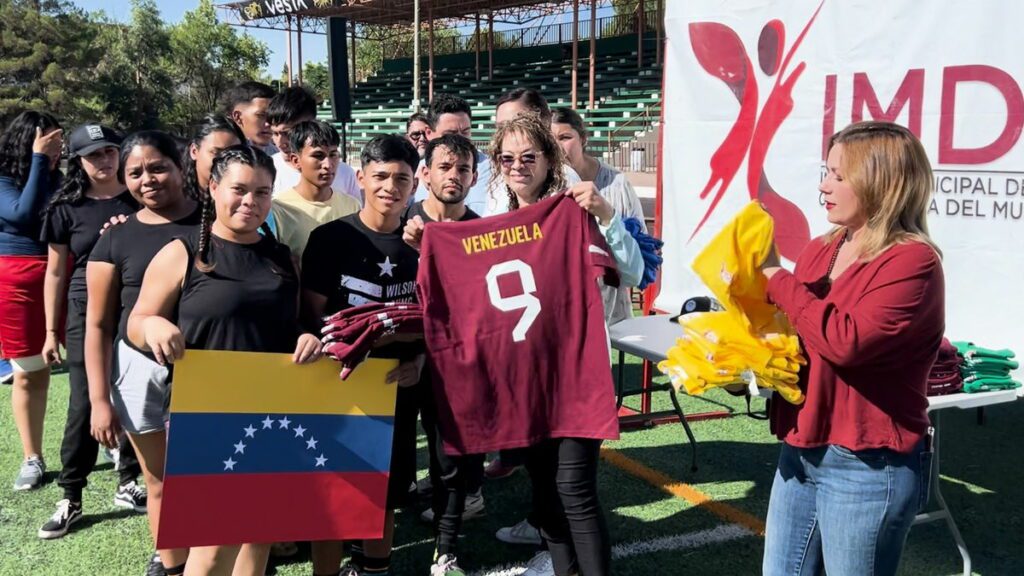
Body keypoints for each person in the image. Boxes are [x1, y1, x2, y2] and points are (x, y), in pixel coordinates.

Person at [127, 144, 322, 576]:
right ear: (213, 187)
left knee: (259, 537)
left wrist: (309, 337)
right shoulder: (181, 253)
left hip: (274, 411)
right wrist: (154, 328)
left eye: (262, 192)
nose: (250, 202)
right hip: (205, 414)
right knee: (214, 547)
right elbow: (136, 321)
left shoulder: (282, 259)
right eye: (239, 189)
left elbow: (301, 325)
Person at [760, 121, 944, 576]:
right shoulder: (822, 248)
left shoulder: (913, 261)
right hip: (801, 448)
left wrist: (774, 278)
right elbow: (798, 335)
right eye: (826, 171)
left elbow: (846, 342)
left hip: (868, 463)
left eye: (838, 176)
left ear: (881, 183)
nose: (823, 186)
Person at [486, 114, 643, 576]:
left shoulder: (574, 212)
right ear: (497, 164)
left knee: (574, 488)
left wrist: (607, 215)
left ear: (550, 159)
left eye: (529, 157)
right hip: (523, 378)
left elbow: (633, 273)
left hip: (576, 373)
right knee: (544, 490)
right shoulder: (493, 225)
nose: (518, 166)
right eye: (508, 158)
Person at [302, 135, 422, 576]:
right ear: (363, 177)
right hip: (339, 384)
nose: (391, 186)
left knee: (383, 491)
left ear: (414, 185)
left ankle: (376, 568)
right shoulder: (330, 238)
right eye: (381, 176)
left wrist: (419, 363)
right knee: (331, 488)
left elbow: (438, 319)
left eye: (402, 179)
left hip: (396, 387)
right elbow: (311, 316)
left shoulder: (425, 246)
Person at [87, 131, 200, 576]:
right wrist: (100, 400)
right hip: (139, 371)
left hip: (206, 369)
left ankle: (218, 553)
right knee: (160, 480)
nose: (147, 179)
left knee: (207, 478)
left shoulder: (214, 223)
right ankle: (171, 560)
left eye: (158, 168)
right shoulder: (115, 238)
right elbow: (96, 324)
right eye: (134, 172)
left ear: (179, 167)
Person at [37, 124, 146, 540]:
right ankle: (71, 494)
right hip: (86, 312)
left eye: (110, 151)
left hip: (135, 304)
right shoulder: (65, 207)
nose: (105, 161)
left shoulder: (137, 195)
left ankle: (129, 480)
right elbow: (55, 273)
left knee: (137, 393)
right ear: (78, 162)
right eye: (94, 155)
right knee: (85, 403)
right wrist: (51, 331)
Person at [401, 134, 485, 576]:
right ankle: (370, 550)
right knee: (394, 463)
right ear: (425, 172)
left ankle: (445, 549)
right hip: (393, 363)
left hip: (449, 364)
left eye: (464, 169)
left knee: (448, 462)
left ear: (474, 176)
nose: (454, 176)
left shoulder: (481, 231)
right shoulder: (397, 221)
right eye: (446, 167)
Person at [0, 110, 63, 491]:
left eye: (59, 144)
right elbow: (23, 214)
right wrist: (40, 160)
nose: (58, 150)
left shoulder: (61, 176)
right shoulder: (4, 178)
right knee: (29, 372)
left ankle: (112, 442)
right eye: (50, 142)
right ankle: (32, 456)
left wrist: (49, 166)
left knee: (95, 363)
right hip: (18, 280)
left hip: (65, 271)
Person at [551, 106, 646, 325]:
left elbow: (642, 253)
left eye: (565, 137)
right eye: (551, 139)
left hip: (613, 315)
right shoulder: (546, 186)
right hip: (567, 316)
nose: (557, 146)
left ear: (583, 138)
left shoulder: (617, 183)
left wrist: (607, 217)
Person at [270, 120, 362, 261]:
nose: (328, 165)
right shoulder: (278, 210)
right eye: (318, 156)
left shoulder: (352, 206)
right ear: (296, 160)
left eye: (333, 155)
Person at [487, 90, 580, 216]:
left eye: (519, 121)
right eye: (501, 126)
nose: (510, 130)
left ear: (544, 122)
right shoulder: (498, 182)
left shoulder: (566, 179)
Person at [267, 86, 360, 202]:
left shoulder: (344, 173)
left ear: (311, 124)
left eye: (287, 133)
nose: (280, 143)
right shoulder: (265, 170)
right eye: (275, 133)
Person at [412, 94, 491, 216]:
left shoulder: (494, 171)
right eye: (450, 134)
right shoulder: (413, 173)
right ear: (428, 133)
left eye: (465, 132)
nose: (460, 139)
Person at [222, 81, 277, 155]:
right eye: (261, 115)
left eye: (273, 116)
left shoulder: (279, 158)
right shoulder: (221, 156)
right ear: (238, 117)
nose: (269, 123)